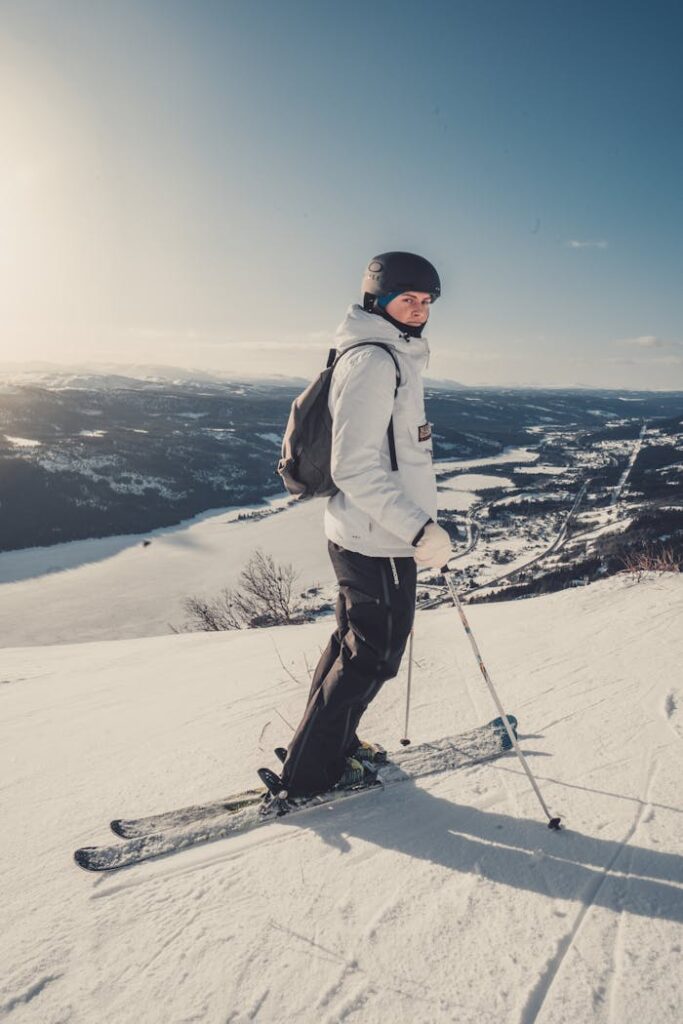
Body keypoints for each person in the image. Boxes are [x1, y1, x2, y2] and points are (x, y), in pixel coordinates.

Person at [278, 251, 453, 798]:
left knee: (354, 645)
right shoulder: (375, 362)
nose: (420, 309)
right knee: (373, 655)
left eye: (426, 301)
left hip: (372, 533)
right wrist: (419, 529)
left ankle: (329, 745)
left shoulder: (390, 354)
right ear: (378, 299)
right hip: (379, 539)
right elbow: (354, 465)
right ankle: (311, 773)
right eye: (409, 298)